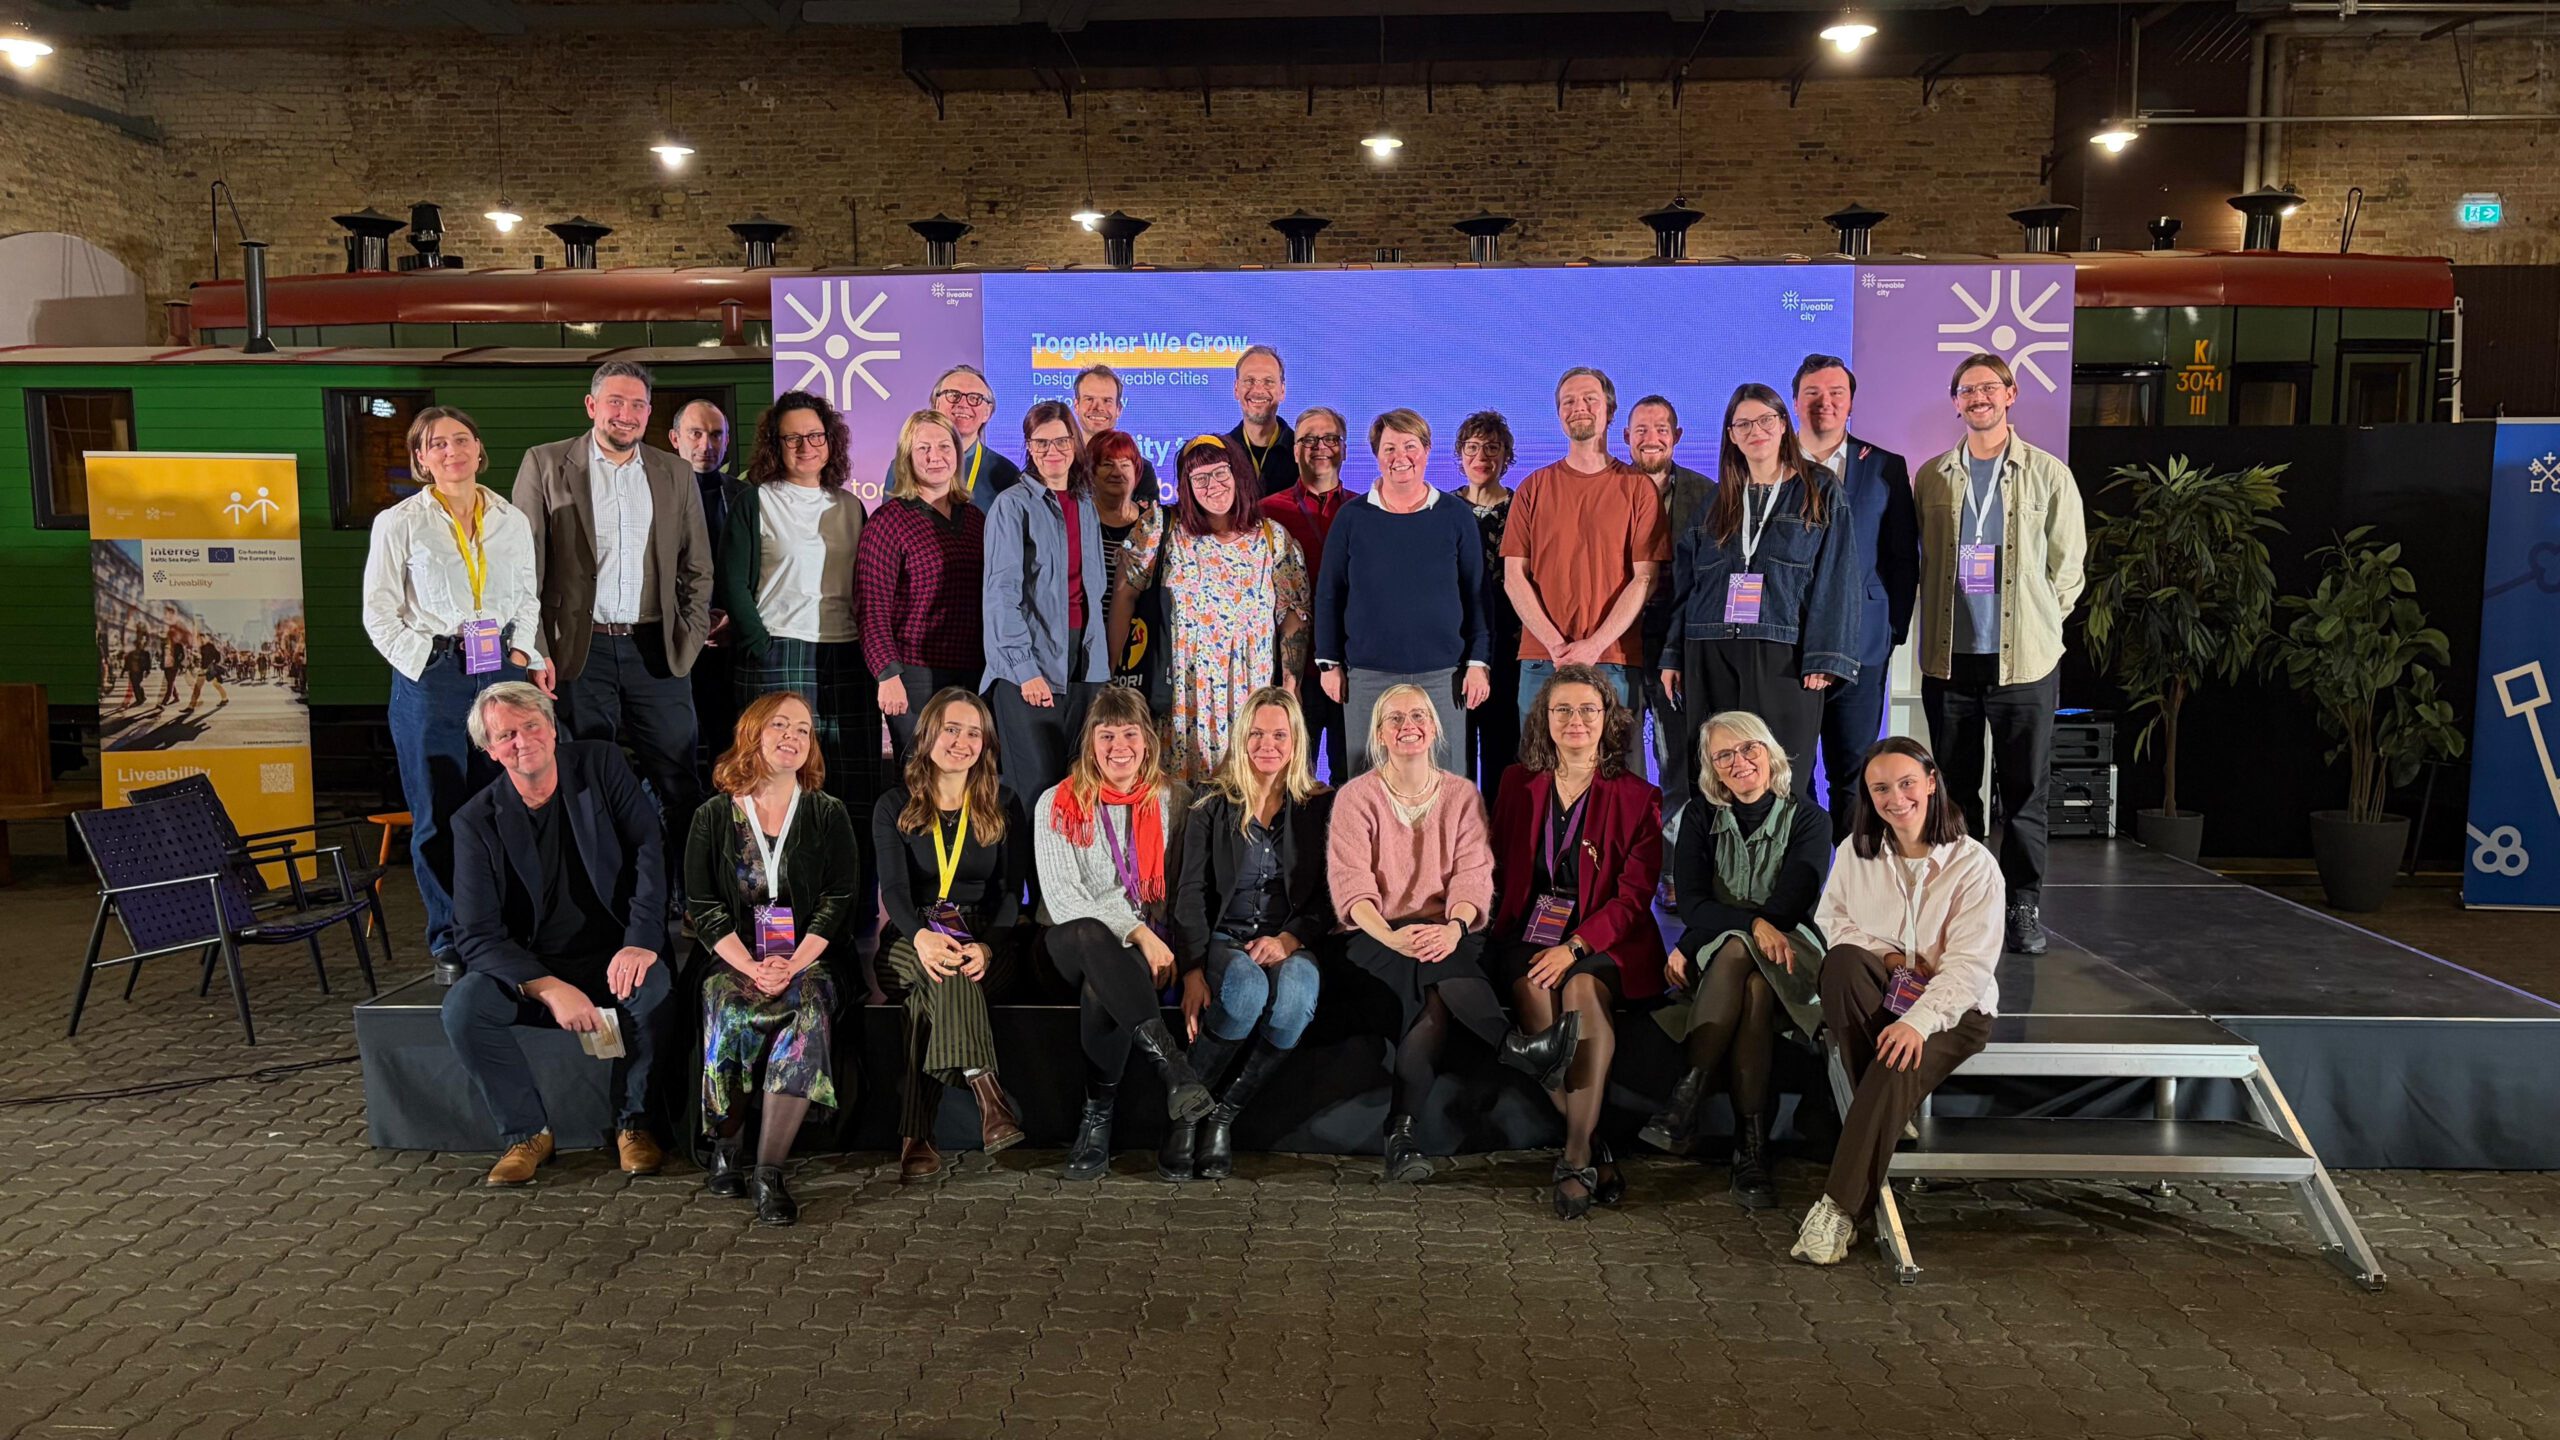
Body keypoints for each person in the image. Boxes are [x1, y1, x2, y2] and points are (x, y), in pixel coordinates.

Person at [1329, 684, 1580, 1183]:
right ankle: (1516, 1048)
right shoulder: (1355, 798)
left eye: (1418, 716)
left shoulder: (1462, 794)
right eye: (1395, 718)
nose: (1408, 726)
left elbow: (1473, 878)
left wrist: (1455, 926)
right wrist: (1393, 937)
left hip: (1449, 929)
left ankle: (1401, 1138)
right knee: (1430, 982)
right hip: (1374, 935)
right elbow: (1352, 887)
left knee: (1434, 993)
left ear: (1435, 728)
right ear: (1379, 733)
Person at [442, 682, 671, 1186]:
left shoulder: (601, 765)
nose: (522, 741)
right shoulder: (474, 821)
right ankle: (527, 1134)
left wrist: (640, 941)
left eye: (531, 726)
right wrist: (547, 987)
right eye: (506, 735)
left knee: (653, 988)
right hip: (534, 966)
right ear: (489, 750)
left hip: (614, 951)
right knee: (464, 1008)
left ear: (551, 727)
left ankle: (634, 1124)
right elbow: (475, 934)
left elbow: (649, 850)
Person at [1792, 736, 2002, 1265]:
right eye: (1880, 788)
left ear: (1931, 783)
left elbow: (1969, 967)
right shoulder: (1855, 852)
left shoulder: (1974, 865)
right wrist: (1888, 959)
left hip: (1955, 1009)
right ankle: (1888, 1105)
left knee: (1895, 1060)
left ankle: (1838, 1209)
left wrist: (1918, 1022)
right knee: (1842, 964)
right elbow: (1833, 924)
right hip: (1885, 990)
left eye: (1907, 783)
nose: (1895, 798)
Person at [512, 361, 715, 905]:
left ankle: (693, 904)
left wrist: (690, 637)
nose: (626, 414)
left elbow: (698, 567)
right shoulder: (545, 463)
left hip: (658, 650)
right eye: (616, 402)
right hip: (579, 652)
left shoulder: (675, 472)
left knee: (680, 783)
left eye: (638, 405)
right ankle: (600, 906)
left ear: (649, 413)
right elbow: (523, 568)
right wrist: (536, 650)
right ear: (592, 406)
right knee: (585, 783)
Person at [362, 405, 552, 979]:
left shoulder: (511, 519)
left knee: (506, 803)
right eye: (438, 444)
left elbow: (527, 596)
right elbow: (378, 612)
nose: (452, 451)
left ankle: (504, 926)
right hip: (434, 677)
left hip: (499, 669)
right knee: (438, 812)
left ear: (478, 448)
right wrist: (426, 665)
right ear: (421, 458)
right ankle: (450, 935)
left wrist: (520, 656)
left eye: (462, 439)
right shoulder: (398, 522)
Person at [1916, 353, 2087, 955]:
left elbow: (2068, 570)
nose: (1978, 398)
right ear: (1955, 402)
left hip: (2024, 664)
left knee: (2024, 795)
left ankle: (2022, 906)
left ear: (2011, 394)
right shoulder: (1932, 477)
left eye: (1989, 387)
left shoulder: (2048, 474)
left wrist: (2038, 625)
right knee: (1955, 796)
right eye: (1967, 390)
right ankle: (1965, 905)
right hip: (1951, 661)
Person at [1488, 665, 1665, 1219]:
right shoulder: (1516, 783)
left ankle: (1576, 1154)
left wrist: (1577, 946)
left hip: (1608, 936)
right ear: (1544, 718)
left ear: (1608, 718)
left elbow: (1634, 899)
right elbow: (1497, 867)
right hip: (1530, 929)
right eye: (1562, 709)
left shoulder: (1639, 797)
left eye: (1588, 709)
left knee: (1580, 990)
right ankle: (1594, 1144)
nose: (1575, 720)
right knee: (1534, 987)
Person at [683, 691, 860, 1227]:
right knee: (728, 1007)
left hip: (811, 957)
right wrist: (751, 966)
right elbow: (702, 905)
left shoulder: (827, 812)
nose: (792, 736)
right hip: (733, 957)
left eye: (803, 729)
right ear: (753, 734)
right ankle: (727, 1147)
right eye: (780, 725)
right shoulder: (713, 815)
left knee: (806, 1011)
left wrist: (791, 963)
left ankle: (769, 1170)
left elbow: (839, 900)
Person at [1646, 709, 1834, 1209]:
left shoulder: (1810, 819)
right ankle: (1750, 1150)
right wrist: (1743, 926)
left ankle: (1687, 1095)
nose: (1739, 761)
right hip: (1727, 947)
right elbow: (1690, 904)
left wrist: (1703, 937)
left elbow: (1791, 904)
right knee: (1750, 983)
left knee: (1743, 955)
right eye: (1724, 755)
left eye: (1748, 748)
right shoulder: (1698, 816)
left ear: (1769, 751)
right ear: (1712, 768)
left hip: (1791, 946)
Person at [719, 391, 882, 962]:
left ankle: (853, 916)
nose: (806, 446)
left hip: (846, 655)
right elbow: (733, 584)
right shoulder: (756, 501)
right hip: (778, 655)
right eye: (792, 437)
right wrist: (760, 645)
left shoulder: (850, 506)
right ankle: (778, 921)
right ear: (775, 444)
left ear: (830, 442)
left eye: (815, 436)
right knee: (776, 790)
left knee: (851, 792)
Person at [1034, 688, 1213, 1180]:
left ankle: (1097, 1118)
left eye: (1130, 734)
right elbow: (1063, 900)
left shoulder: (1174, 799)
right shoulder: (1058, 802)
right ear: (1090, 743)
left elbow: (1185, 888)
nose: (1119, 747)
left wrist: (1179, 953)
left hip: (1137, 953)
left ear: (1148, 741)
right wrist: (1137, 931)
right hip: (1066, 945)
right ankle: (1174, 1067)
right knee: (1093, 935)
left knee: (1104, 987)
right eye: (1106, 735)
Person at [1657, 383, 1861, 807]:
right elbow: (1687, 585)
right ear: (1731, 435)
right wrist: (1673, 654)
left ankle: (1784, 854)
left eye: (1766, 420)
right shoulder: (1715, 501)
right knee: (1715, 779)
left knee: (1782, 778)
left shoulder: (1820, 489)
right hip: (1709, 648)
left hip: (1782, 653)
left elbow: (1838, 575)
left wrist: (1825, 656)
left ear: (1784, 425)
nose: (1756, 431)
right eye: (1744, 424)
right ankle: (1719, 851)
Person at [1164, 686, 1334, 1183]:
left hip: (1287, 940)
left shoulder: (1319, 807)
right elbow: (1189, 893)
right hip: (1224, 939)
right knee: (1244, 991)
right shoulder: (1210, 802)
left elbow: (1329, 897)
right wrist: (1193, 971)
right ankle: (1184, 1116)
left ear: (1296, 741)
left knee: (1296, 996)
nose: (1267, 745)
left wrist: (1289, 941)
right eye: (1256, 734)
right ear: (1241, 738)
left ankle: (1220, 1116)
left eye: (1279, 735)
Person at [875, 687, 1030, 1184]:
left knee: (942, 982)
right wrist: (921, 937)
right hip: (910, 936)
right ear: (927, 735)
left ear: (986, 744)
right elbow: (894, 890)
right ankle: (989, 1095)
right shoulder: (894, 804)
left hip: (985, 938)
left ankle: (916, 1133)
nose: (962, 742)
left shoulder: (1004, 802)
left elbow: (1012, 893)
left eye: (973, 733)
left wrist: (987, 946)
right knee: (942, 967)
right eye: (951, 729)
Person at [1109, 435, 1311, 783]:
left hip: (1250, 695)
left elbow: (1293, 616)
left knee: (1247, 793)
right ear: (1186, 486)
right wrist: (1110, 674)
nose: (1212, 485)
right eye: (1199, 478)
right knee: (1178, 799)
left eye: (1220, 473)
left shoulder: (1272, 538)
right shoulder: (1163, 527)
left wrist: (1291, 688)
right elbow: (1124, 596)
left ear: (1238, 474)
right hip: (1181, 695)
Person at [1500, 367, 1665, 769]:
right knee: (1540, 778)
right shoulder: (1533, 488)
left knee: (1617, 780)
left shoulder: (1638, 489)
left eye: (1590, 399)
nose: (1579, 408)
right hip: (1542, 660)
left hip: (1614, 659)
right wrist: (1557, 646)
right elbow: (1514, 577)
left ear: (1610, 410)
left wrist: (1593, 646)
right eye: (1568, 401)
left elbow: (1645, 577)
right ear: (1558, 413)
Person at [1312, 409, 1489, 778]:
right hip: (1368, 676)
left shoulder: (1456, 516)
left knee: (1447, 784)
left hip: (1444, 676)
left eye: (1410, 446)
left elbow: (1476, 595)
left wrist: (1478, 664)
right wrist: (1329, 664)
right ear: (1377, 455)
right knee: (1368, 785)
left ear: (1426, 450)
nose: (1400, 457)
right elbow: (1330, 594)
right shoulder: (1352, 517)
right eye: (1389, 448)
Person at [1793, 356, 1920, 842]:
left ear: (1850, 403)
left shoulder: (1885, 466)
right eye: (1812, 393)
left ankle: (1850, 876)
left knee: (1854, 772)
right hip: (1789, 645)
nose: (1824, 403)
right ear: (1796, 401)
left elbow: (1901, 558)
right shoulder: (1770, 463)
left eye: (1836, 394)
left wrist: (1890, 631)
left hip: (1862, 643)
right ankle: (1801, 877)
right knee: (1792, 772)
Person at [982, 400, 1110, 806]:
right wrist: (1025, 670)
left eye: (1061, 441)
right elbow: (1001, 595)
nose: (1052, 451)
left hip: (1083, 665)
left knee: (1079, 791)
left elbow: (1092, 593)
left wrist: (1098, 670)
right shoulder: (1011, 505)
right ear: (1029, 448)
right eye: (1041, 443)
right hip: (1029, 666)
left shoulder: (1086, 502)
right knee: (1035, 795)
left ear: (1075, 444)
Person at [856, 409, 985, 760]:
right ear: (907, 458)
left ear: (957, 453)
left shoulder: (975, 520)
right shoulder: (889, 522)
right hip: (912, 674)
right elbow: (871, 608)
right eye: (923, 448)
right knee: (920, 771)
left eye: (944, 446)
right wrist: (887, 674)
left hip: (972, 671)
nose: (934, 456)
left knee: (964, 770)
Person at [1626, 395, 1715, 839]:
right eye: (1641, 430)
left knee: (1677, 758)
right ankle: (1626, 855)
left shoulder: (1708, 495)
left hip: (1678, 646)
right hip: (1618, 643)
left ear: (1677, 436)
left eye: (1661, 429)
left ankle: (1675, 863)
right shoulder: (1607, 489)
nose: (1651, 438)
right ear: (1626, 437)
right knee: (1621, 758)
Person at [1260, 406, 1353, 778]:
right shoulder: (1266, 514)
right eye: (1309, 440)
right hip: (1288, 672)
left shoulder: (1365, 511)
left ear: (1344, 448)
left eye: (1330, 438)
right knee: (1291, 782)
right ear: (1295, 450)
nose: (1320, 447)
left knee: (1353, 779)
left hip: (1352, 668)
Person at [669, 398, 739, 789]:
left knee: (729, 745)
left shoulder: (744, 495)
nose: (705, 445)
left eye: (715, 434)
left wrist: (733, 619)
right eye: (695, 433)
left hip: (731, 644)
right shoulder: (655, 493)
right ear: (675, 438)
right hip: (674, 640)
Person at [1455, 410, 1523, 788]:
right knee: (1455, 757)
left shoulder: (1522, 509)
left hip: (1509, 648)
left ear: (1506, 456)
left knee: (1504, 752)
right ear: (1460, 453)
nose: (1481, 457)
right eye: (1472, 447)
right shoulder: (1444, 509)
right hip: (1455, 649)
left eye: (1492, 448)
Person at [1088, 427, 1166, 708]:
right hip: (1086, 646)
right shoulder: (1077, 520)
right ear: (1090, 471)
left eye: (1125, 464)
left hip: (1140, 651)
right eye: (1106, 464)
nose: (1117, 472)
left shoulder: (1154, 525)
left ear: (1137, 472)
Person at [926, 364, 1024, 513]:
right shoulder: (906, 466)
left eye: (975, 398)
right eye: (953, 395)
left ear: (987, 412)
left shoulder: (1006, 474)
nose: (963, 404)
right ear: (936, 404)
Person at [1071, 363, 1160, 500]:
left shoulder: (1141, 470)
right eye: (1089, 399)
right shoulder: (1061, 465)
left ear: (1118, 409)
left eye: (1107, 400)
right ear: (1076, 406)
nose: (1098, 408)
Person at [1225, 345, 1298, 498]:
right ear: (1236, 389)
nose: (1258, 390)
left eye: (1268, 381)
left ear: (1282, 390)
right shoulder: (1220, 453)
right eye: (1249, 381)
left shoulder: (1304, 453)